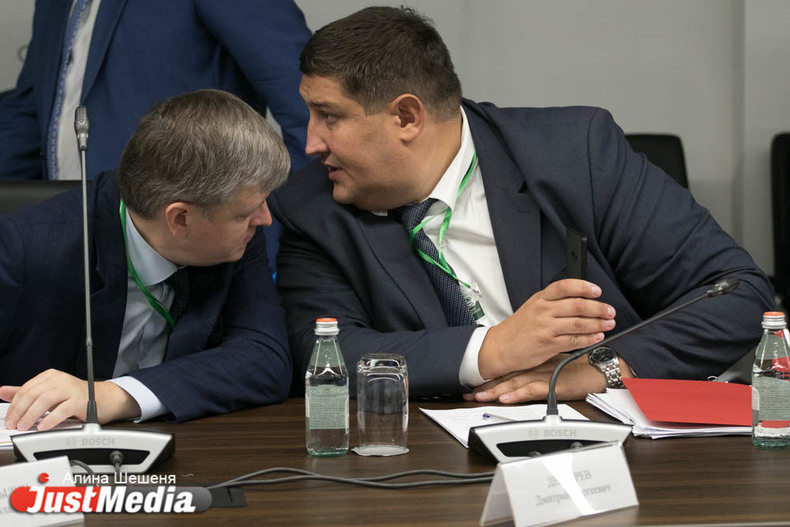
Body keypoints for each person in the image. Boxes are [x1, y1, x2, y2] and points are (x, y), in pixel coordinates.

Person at [269, 6, 775, 403]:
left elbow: (737, 296)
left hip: (611, 448)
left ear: (407, 117)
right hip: (430, 459)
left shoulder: (575, 154)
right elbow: (324, 355)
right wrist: (492, 348)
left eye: (329, 116)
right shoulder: (311, 208)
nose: (311, 143)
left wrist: (597, 370)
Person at [0, 89, 291, 431]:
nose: (265, 219)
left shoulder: (238, 238)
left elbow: (265, 356)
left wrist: (116, 395)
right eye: (245, 213)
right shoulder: (25, 248)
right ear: (180, 218)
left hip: (181, 448)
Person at [0, 0, 313, 268]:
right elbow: (30, 114)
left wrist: (272, 241)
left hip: (190, 256)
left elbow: (306, 109)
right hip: (75, 247)